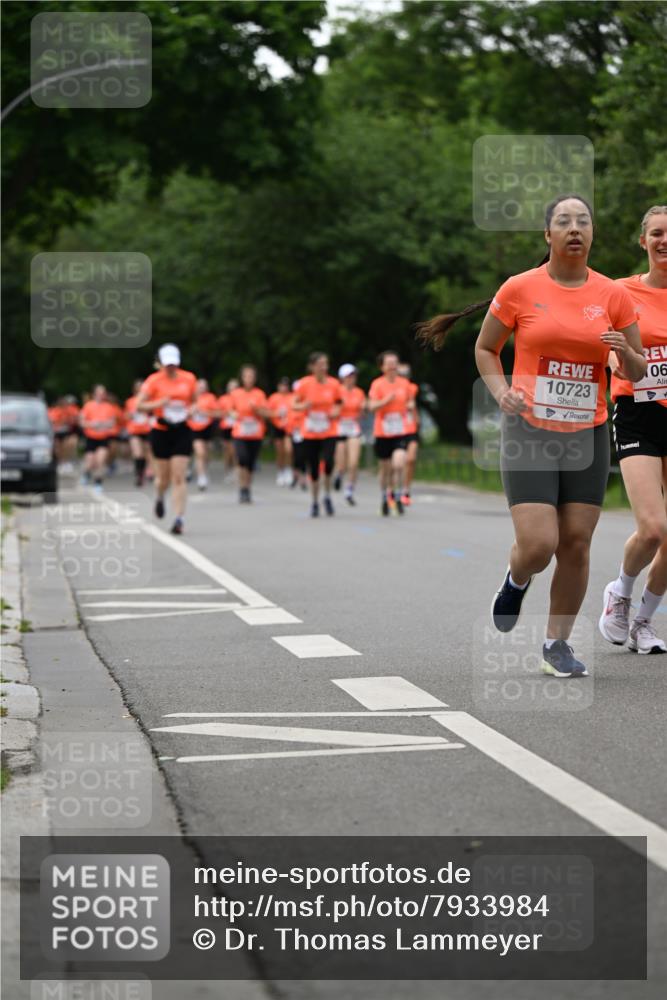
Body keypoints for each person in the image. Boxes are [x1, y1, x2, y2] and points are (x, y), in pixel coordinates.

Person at [418, 194, 646, 678]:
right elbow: (485, 348)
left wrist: (624, 350)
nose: (574, 228)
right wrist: (501, 392)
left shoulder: (612, 295)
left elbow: (639, 367)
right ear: (548, 235)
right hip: (530, 431)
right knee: (541, 543)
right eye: (563, 221)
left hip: (586, 433)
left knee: (578, 544)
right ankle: (517, 578)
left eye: (583, 221)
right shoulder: (520, 288)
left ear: (592, 234)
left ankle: (556, 644)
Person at [600, 205, 667, 655]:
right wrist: (620, 356)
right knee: (654, 529)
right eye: (657, 234)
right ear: (643, 241)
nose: (665, 241)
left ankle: (643, 620)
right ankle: (620, 592)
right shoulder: (620, 292)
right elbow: (606, 349)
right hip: (638, 411)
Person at [136, 343, 197, 535]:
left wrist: (190, 411)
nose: (171, 368)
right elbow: (139, 405)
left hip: (182, 430)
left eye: (174, 364)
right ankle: (160, 495)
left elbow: (195, 402)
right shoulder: (153, 381)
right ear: (161, 362)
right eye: (168, 364)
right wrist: (159, 403)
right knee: (163, 478)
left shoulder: (189, 379)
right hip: (161, 431)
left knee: (179, 476)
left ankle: (179, 518)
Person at [293, 353, 343, 517]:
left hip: (329, 430)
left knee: (328, 462)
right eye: (320, 364)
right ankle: (315, 501)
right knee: (313, 468)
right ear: (312, 367)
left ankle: (327, 495)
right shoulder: (304, 384)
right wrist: (303, 406)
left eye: (325, 364)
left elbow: (339, 402)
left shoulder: (334, 384)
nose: (324, 367)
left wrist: (335, 411)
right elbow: (294, 404)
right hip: (311, 431)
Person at [368, 351, 414, 516]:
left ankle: (397, 493)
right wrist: (385, 401)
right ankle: (384, 496)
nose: (393, 366)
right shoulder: (377, 384)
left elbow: (411, 401)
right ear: (382, 367)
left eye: (395, 363)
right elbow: (371, 407)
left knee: (399, 464)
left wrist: (410, 406)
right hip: (382, 432)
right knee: (385, 469)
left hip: (400, 431)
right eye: (389, 363)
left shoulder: (404, 383)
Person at [228, 365, 271, 503]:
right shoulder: (236, 393)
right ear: (242, 378)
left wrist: (256, 409)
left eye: (251, 376)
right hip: (240, 432)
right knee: (242, 459)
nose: (249, 379)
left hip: (255, 432)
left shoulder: (259, 394)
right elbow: (229, 410)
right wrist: (233, 414)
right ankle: (242, 488)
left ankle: (247, 488)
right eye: (246, 376)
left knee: (251, 463)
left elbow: (266, 413)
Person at [333, 363, 366, 506]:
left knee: (353, 462)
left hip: (353, 429)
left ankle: (349, 490)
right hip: (339, 428)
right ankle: (339, 474)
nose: (351, 379)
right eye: (348, 376)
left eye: (353, 376)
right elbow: (332, 410)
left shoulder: (359, 392)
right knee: (341, 464)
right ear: (342, 378)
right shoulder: (337, 391)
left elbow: (363, 412)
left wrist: (363, 410)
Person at [79, 385, 118, 493]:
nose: (101, 395)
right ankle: (86, 473)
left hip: (103, 438)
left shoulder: (109, 407)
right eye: (99, 393)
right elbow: (82, 422)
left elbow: (113, 422)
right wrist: (92, 424)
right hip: (91, 438)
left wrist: (105, 424)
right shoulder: (88, 406)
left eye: (103, 393)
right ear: (94, 394)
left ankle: (98, 483)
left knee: (100, 461)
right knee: (90, 463)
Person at [187, 378, 218, 491]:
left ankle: (203, 469)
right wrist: (191, 412)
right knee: (199, 452)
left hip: (207, 428)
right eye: (199, 386)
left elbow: (217, 413)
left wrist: (205, 412)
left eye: (203, 386)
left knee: (206, 453)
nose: (201, 388)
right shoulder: (190, 398)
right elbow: (182, 413)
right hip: (194, 428)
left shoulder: (210, 398)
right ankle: (201, 477)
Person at [398, 362, 420, 507]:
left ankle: (406, 490)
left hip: (410, 428)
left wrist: (413, 413)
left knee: (411, 459)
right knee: (398, 462)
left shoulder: (412, 388)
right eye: (401, 375)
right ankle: (394, 488)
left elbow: (413, 407)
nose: (404, 378)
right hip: (396, 430)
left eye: (406, 375)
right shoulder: (389, 388)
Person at [124, 380, 153, 486]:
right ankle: (139, 474)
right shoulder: (130, 401)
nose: (140, 389)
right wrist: (132, 414)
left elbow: (153, 414)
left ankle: (148, 470)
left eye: (142, 387)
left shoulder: (149, 401)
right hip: (134, 430)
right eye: (138, 387)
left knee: (148, 452)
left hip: (147, 429)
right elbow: (126, 416)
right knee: (138, 453)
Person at [268, 377, 294, 486]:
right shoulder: (274, 398)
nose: (284, 388)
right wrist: (276, 414)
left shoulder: (292, 397)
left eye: (286, 385)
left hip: (289, 427)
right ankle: (280, 471)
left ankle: (288, 470)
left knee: (289, 449)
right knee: (280, 451)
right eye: (282, 385)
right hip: (277, 426)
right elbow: (268, 412)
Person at [286, 379, 308, 491]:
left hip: (306, 430)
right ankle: (295, 474)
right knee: (295, 453)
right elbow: (289, 415)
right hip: (294, 431)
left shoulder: (306, 400)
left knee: (303, 454)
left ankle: (303, 477)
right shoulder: (291, 400)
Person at [217, 378, 238, 480]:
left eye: (235, 387)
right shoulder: (223, 399)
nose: (233, 389)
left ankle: (235, 469)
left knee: (234, 450)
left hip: (237, 427)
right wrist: (227, 413)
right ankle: (227, 470)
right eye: (231, 387)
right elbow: (217, 413)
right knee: (227, 450)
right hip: (226, 427)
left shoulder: (240, 398)